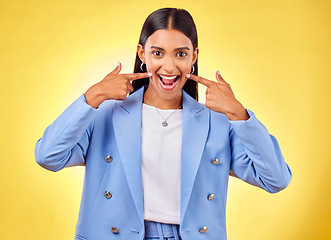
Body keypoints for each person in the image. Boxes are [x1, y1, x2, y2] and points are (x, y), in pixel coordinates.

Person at [35, 7, 292, 240]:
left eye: (181, 54)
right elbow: (48, 156)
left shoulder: (218, 123)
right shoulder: (105, 114)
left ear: (193, 57)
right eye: (158, 53)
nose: (169, 67)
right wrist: (92, 97)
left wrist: (239, 114)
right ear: (142, 54)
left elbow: (275, 179)